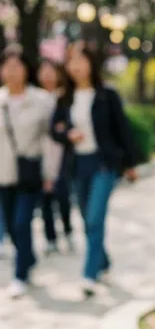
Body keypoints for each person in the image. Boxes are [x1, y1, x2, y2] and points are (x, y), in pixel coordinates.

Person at [51, 41, 137, 298]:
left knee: (94, 218)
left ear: (91, 63)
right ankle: (103, 261)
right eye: (71, 61)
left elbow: (122, 129)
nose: (76, 66)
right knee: (87, 220)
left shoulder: (106, 94)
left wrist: (130, 164)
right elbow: (55, 129)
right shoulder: (64, 97)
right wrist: (68, 133)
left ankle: (89, 274)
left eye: (81, 60)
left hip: (103, 164)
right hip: (78, 165)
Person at [0, 46, 59, 298]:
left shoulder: (41, 101)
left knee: (22, 223)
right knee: (12, 227)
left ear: (27, 70)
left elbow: (51, 140)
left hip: (31, 172)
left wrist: (50, 173)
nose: (12, 71)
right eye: (7, 66)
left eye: (17, 66)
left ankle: (20, 275)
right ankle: (29, 258)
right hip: (3, 174)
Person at [38, 59, 74, 254]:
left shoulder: (64, 98)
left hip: (63, 154)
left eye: (51, 71)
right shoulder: (36, 98)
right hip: (42, 153)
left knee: (63, 197)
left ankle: (68, 231)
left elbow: (67, 127)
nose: (48, 75)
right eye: (44, 71)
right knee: (45, 198)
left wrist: (63, 130)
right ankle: (50, 237)